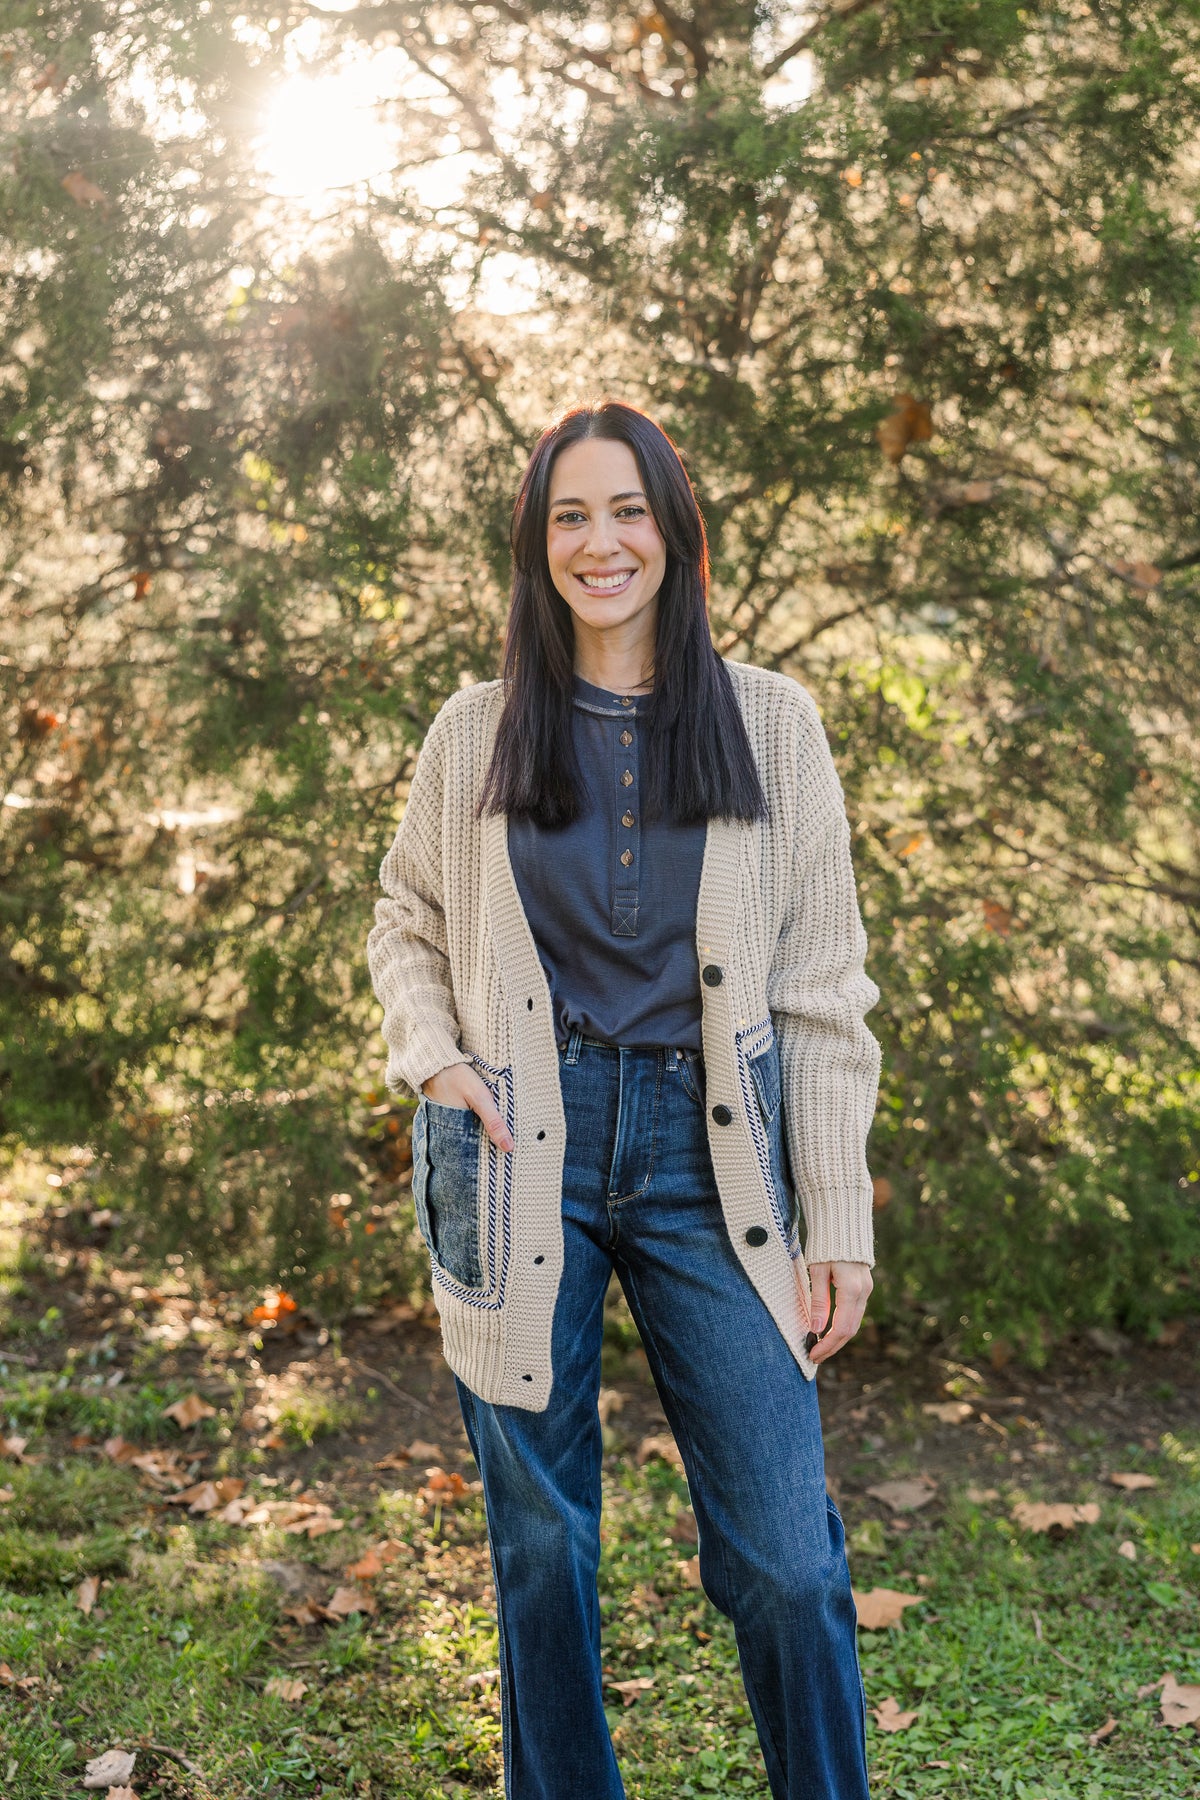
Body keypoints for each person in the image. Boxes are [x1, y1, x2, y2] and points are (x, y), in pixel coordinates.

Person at [366, 399, 883, 1800]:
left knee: (783, 1551)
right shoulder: (475, 731)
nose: (602, 543)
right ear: (537, 549)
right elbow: (404, 919)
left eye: (629, 510)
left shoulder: (773, 725)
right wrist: (437, 1058)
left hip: (711, 1156)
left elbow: (825, 990)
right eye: (570, 517)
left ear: (676, 531)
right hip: (515, 1143)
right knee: (542, 1547)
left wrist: (838, 1219)